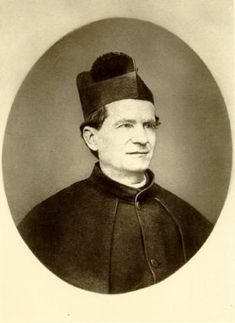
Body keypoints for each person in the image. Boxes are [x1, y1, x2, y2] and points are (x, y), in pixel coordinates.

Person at [18, 52, 213, 294]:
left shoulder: (188, 218)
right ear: (92, 138)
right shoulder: (46, 221)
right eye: (125, 125)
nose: (142, 139)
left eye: (149, 125)